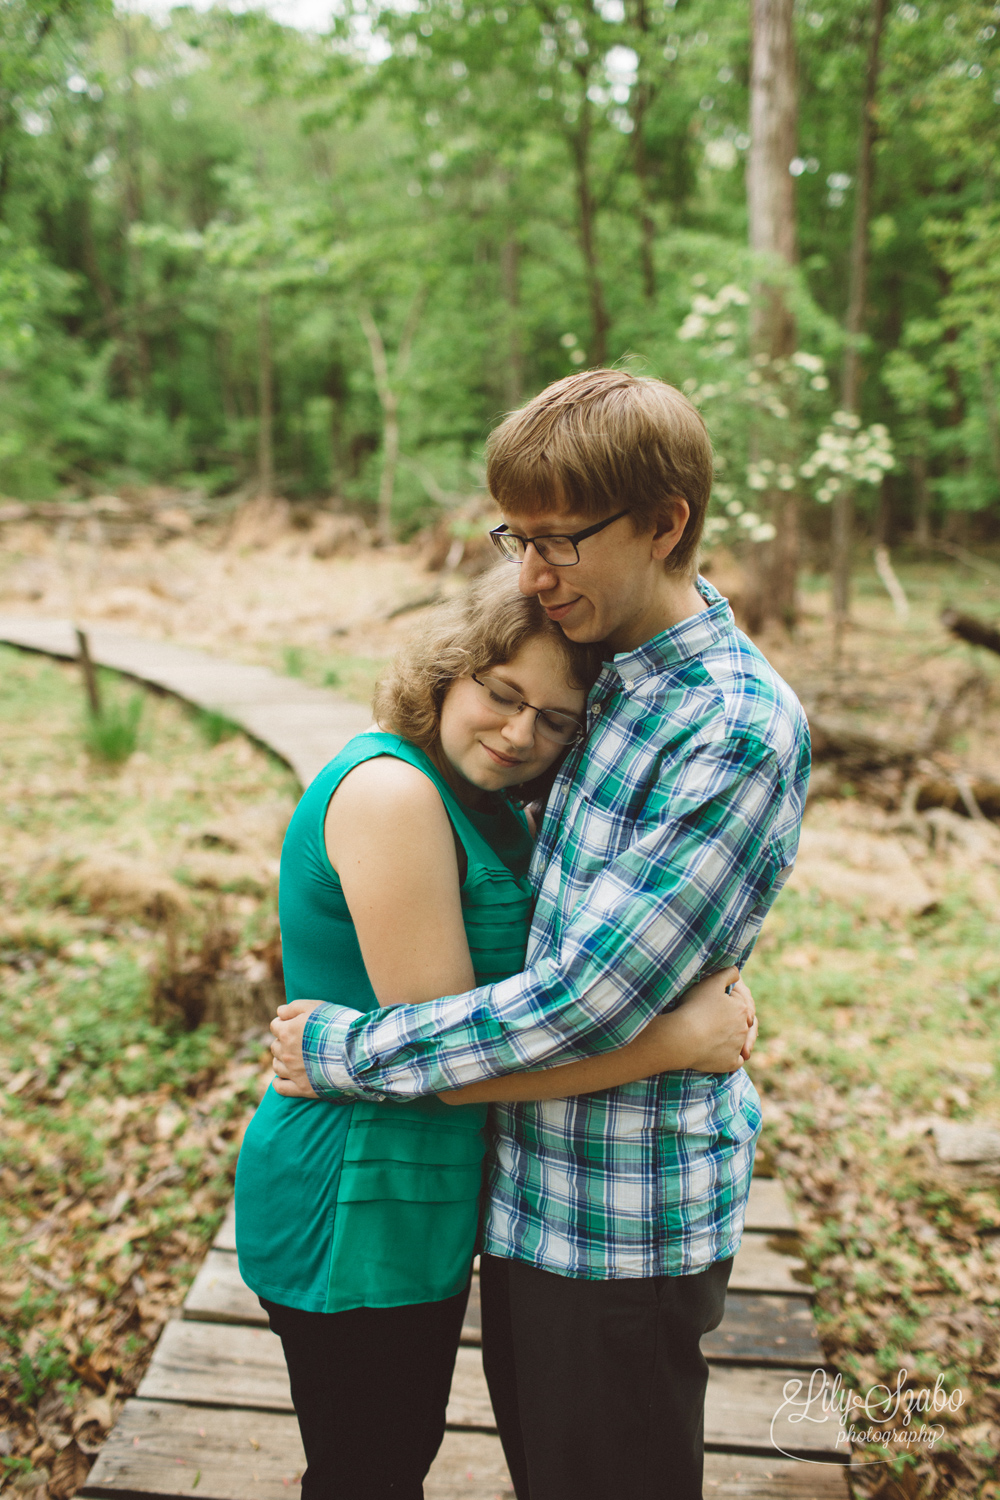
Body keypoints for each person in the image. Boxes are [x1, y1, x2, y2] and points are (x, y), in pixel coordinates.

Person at [270, 368, 809, 1500]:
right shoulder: (603, 669)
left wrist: (341, 1053)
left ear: (666, 525)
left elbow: (579, 1000)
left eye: (559, 539)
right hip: (523, 1198)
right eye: (516, 535)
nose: (529, 573)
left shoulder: (732, 727)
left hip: (616, 1224)